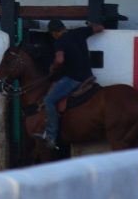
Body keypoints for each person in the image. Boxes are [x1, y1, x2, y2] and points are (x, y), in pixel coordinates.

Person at [37, 19, 104, 150]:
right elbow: (100, 27)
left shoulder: (59, 42)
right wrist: (91, 25)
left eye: (52, 34)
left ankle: (51, 136)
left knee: (49, 100)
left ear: (54, 33)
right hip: (87, 76)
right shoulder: (79, 32)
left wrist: (53, 67)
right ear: (64, 27)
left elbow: (59, 60)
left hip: (74, 79)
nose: (53, 36)